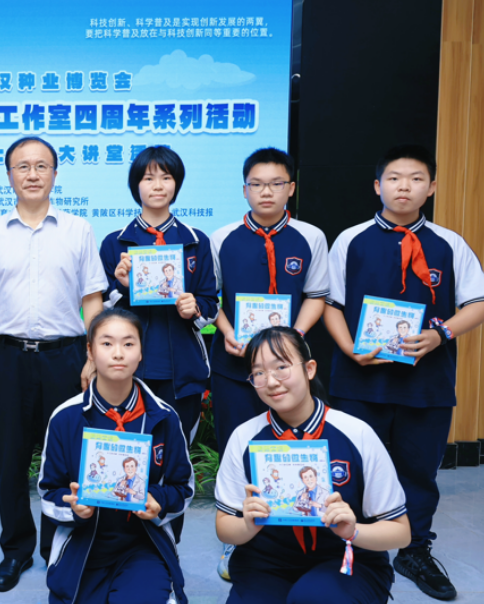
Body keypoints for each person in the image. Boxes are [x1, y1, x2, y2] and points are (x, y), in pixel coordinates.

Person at [323, 144, 484, 601]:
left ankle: (413, 551)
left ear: (431, 188)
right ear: (378, 186)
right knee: (350, 467)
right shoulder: (351, 239)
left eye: (416, 179)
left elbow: (477, 303)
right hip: (359, 380)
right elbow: (331, 303)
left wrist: (441, 334)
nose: (404, 187)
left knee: (418, 471)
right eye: (394, 178)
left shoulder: (450, 244)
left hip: (426, 383)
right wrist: (350, 349)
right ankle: (350, 546)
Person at [0, 136, 108, 591]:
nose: (32, 174)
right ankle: (16, 549)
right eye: (22, 166)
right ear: (9, 175)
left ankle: (57, 546)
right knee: (12, 457)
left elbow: (92, 299)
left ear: (55, 174)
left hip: (65, 356)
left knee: (63, 456)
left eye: (41, 166)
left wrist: (93, 356)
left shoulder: (78, 229)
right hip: (7, 356)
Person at [216, 327, 411, 604]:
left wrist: (353, 531)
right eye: (258, 372)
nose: (271, 381)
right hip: (265, 564)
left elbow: (401, 533)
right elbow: (224, 525)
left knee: (313, 597)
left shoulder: (356, 433)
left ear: (309, 369)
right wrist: (247, 525)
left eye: (281, 367)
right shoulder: (244, 437)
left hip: (346, 559)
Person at [209, 148, 329, 579]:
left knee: (295, 447)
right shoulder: (221, 238)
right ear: (244, 190)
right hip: (235, 367)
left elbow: (317, 295)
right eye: (257, 184)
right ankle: (236, 538)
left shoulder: (311, 237)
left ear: (290, 188)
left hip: (288, 370)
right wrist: (227, 331)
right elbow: (210, 298)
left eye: (276, 183)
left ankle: (295, 533)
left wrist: (292, 338)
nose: (266, 192)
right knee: (237, 447)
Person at [99, 145, 217, 542]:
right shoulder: (115, 243)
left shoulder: (196, 241)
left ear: (177, 184)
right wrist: (121, 285)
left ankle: (168, 548)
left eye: (166, 177)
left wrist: (193, 308)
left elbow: (211, 306)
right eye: (148, 177)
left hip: (182, 372)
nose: (157, 185)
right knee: (124, 459)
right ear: (136, 185)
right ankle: (121, 547)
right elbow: (101, 311)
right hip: (127, 370)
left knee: (173, 464)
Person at [38, 308, 193, 604]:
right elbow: (48, 493)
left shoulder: (164, 417)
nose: (118, 353)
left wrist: (158, 500)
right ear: (90, 351)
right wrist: (74, 507)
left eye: (129, 343)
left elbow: (183, 488)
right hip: (83, 545)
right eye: (107, 343)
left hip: (144, 544)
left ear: (141, 352)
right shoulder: (65, 418)